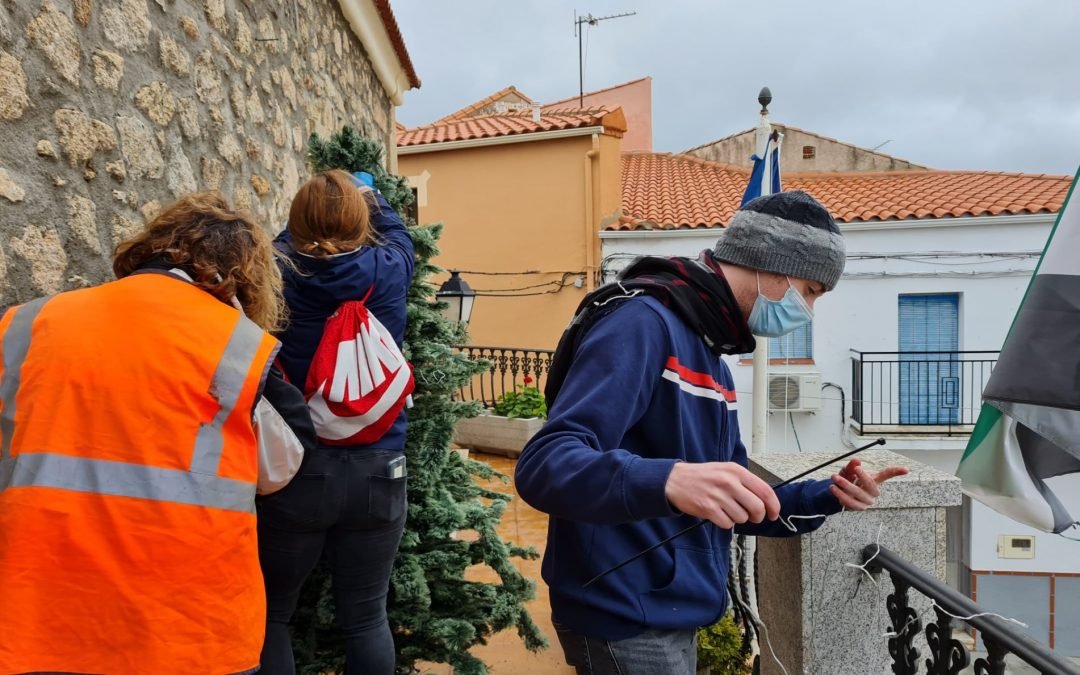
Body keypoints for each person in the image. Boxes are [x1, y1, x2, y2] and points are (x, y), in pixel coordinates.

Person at [515, 191, 909, 675]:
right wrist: (670, 480)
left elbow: (732, 495)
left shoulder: (710, 354)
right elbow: (545, 464)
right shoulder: (642, 323)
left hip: (668, 610)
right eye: (809, 290)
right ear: (772, 265)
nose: (808, 310)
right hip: (622, 616)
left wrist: (827, 496)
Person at [0, 193, 315, 674]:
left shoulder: (26, 323)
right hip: (184, 627)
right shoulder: (235, 343)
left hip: (37, 615)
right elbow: (282, 466)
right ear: (242, 277)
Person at [258, 169, 415, 675]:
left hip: (299, 469)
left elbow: (282, 243)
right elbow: (398, 232)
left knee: (272, 616)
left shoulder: (275, 272)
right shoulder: (389, 268)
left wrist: (305, 219)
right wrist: (367, 193)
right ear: (361, 221)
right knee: (367, 618)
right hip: (380, 468)